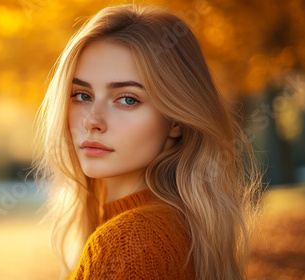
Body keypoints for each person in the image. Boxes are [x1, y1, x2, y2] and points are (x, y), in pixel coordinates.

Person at [32, 4, 262, 280]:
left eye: (128, 99)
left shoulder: (128, 242)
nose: (92, 120)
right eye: (82, 95)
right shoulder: (171, 226)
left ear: (175, 120)